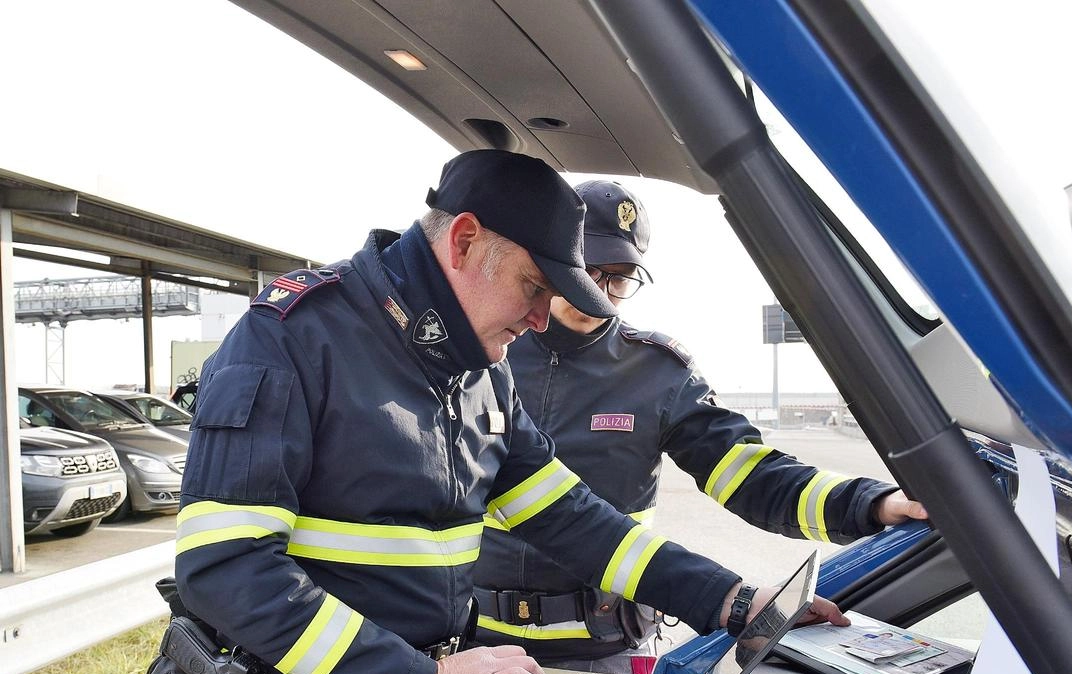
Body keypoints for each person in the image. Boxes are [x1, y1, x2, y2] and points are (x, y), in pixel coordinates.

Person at [167, 151, 845, 674]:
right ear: (462, 242)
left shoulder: (480, 371)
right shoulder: (291, 336)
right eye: (532, 286)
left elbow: (572, 520)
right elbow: (227, 566)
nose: (540, 318)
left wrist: (729, 600)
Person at [471, 180, 928, 671]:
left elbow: (751, 476)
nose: (599, 292)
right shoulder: (488, 351)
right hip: (477, 645)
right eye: (587, 269)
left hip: (607, 649)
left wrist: (871, 503)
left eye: (619, 278)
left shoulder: (658, 373)